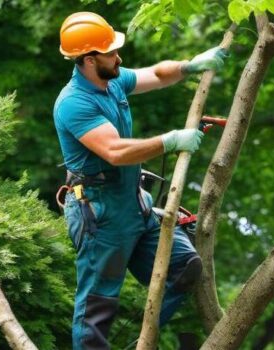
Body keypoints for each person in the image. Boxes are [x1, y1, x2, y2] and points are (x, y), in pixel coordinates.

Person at [53, 11, 226, 349]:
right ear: (89, 60)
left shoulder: (112, 79)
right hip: (100, 215)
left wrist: (190, 65)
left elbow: (157, 75)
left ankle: (141, 343)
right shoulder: (74, 103)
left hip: (134, 204)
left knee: (185, 267)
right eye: (111, 52)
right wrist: (170, 140)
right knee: (97, 310)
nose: (119, 57)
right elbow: (115, 151)